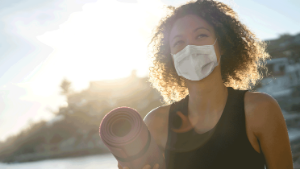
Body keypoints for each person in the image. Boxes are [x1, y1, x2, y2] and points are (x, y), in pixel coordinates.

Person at [118, 0, 294, 168]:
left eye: (201, 35)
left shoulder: (260, 109)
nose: (190, 48)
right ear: (170, 57)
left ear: (223, 45)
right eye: (178, 42)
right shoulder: (156, 123)